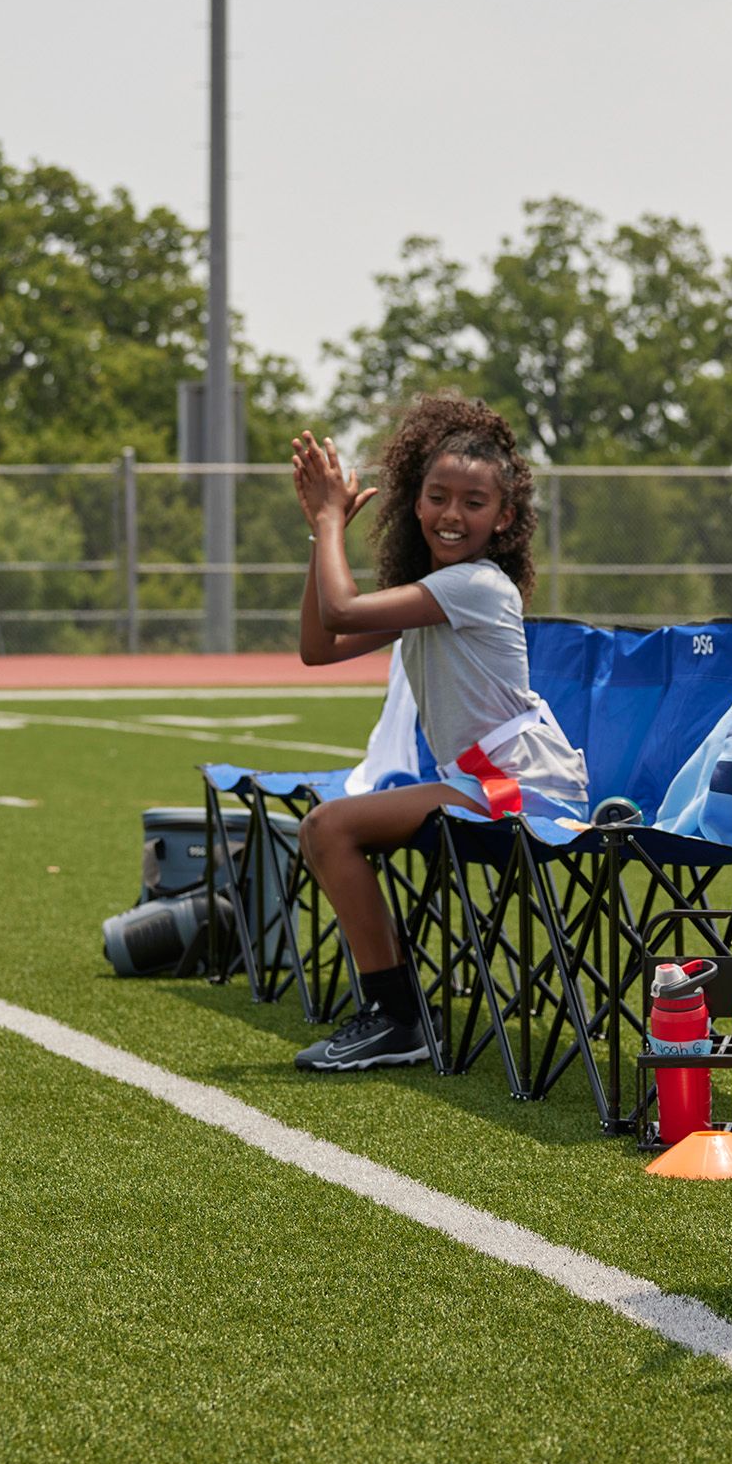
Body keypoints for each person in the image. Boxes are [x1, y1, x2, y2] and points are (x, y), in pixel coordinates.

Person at [288, 394, 588, 1072]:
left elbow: (340, 607)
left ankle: (396, 1019)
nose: (452, 515)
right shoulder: (440, 589)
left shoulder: (476, 585)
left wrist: (334, 518)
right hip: (483, 779)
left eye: (473, 503)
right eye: (438, 497)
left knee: (329, 828)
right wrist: (320, 535)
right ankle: (395, 1016)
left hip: (518, 787)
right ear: (415, 504)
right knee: (325, 827)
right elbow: (318, 643)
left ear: (504, 518)